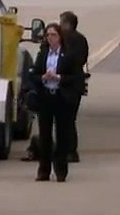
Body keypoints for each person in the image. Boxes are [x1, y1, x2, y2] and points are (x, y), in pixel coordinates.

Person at [32, 22, 86, 182]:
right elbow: (34, 73)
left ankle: (61, 170)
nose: (50, 38)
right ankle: (44, 170)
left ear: (60, 37)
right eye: (48, 35)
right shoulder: (43, 54)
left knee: (62, 135)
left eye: (53, 35)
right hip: (46, 96)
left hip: (61, 97)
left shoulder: (68, 55)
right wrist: (42, 77)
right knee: (44, 136)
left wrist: (59, 78)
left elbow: (77, 77)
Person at [58, 11, 89, 163]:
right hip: (76, 84)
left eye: (61, 23)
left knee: (64, 119)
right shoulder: (82, 39)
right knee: (70, 119)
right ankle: (70, 150)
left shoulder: (64, 39)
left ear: (67, 24)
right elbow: (82, 60)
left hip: (65, 83)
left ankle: (67, 150)